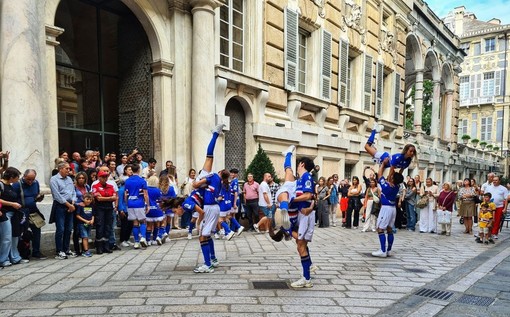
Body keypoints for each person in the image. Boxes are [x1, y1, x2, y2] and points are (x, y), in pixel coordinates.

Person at [191, 124, 225, 273]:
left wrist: (198, 182)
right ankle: (213, 259)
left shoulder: (208, 176)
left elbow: (195, 185)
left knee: (202, 237)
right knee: (208, 235)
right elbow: (209, 154)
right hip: (214, 208)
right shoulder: (216, 178)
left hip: (210, 208)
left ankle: (207, 264)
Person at [371, 157, 404, 258]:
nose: (390, 176)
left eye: (391, 176)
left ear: (393, 179)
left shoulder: (386, 186)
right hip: (393, 208)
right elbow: (398, 176)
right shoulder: (397, 186)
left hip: (386, 208)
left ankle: (382, 250)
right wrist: (399, 166)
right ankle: (389, 250)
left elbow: (379, 175)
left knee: (380, 229)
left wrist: (383, 164)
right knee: (389, 229)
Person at [12, 169, 46, 259]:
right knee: (22, 232)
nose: (30, 182)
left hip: (33, 210)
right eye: (28, 179)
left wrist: (39, 198)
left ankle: (36, 251)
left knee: (37, 230)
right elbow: (12, 198)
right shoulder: (17, 184)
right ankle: (22, 252)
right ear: (24, 176)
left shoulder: (36, 183)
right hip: (22, 211)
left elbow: (36, 195)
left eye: (32, 179)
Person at [50, 162, 77, 260]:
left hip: (70, 205)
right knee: (60, 229)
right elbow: (56, 195)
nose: (69, 170)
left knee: (69, 229)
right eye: (67, 168)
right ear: (60, 169)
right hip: (60, 206)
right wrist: (68, 205)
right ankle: (59, 250)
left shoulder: (69, 179)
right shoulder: (54, 179)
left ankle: (66, 249)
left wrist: (73, 203)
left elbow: (73, 191)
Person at [0, 167, 26, 267]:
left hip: (14, 213)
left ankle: (15, 257)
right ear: (11, 177)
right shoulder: (1, 185)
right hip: (5, 214)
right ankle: (3, 259)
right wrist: (12, 204)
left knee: (15, 236)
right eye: (17, 177)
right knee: (6, 237)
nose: (17, 180)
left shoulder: (10, 185)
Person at [124, 163, 150, 249]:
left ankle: (136, 242)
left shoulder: (127, 181)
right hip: (139, 203)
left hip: (131, 203)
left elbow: (125, 194)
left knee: (135, 222)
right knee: (143, 221)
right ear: (139, 170)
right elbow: (145, 194)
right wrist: (148, 205)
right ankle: (143, 237)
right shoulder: (142, 181)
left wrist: (127, 203)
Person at [91, 170, 117, 254]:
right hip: (100, 208)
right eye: (103, 177)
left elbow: (115, 197)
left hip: (109, 208)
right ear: (99, 177)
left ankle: (106, 246)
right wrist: (109, 198)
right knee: (100, 226)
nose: (105, 178)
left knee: (108, 226)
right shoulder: (95, 186)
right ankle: (99, 247)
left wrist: (105, 198)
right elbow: (98, 198)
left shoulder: (110, 186)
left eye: (106, 177)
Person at [484, 175, 508, 240]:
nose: (494, 181)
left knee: (497, 220)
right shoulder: (488, 187)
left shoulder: (503, 188)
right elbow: (485, 197)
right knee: (488, 220)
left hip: (499, 206)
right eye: (494, 180)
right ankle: (487, 232)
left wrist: (505, 208)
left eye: (496, 180)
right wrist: (484, 206)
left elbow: (506, 199)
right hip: (489, 207)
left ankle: (494, 233)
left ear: (499, 181)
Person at [146, 176, 165, 245]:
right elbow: (160, 200)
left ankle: (148, 240)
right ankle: (158, 237)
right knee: (161, 223)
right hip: (157, 209)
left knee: (149, 225)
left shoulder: (146, 189)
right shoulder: (158, 190)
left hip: (149, 209)